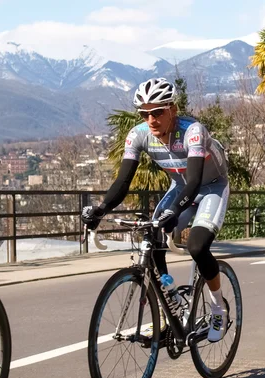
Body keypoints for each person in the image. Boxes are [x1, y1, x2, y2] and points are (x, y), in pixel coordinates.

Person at [81, 77, 230, 343]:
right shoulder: (138, 135)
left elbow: (195, 182)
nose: (151, 119)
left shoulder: (192, 131)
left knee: (197, 246)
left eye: (158, 111)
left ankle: (219, 307)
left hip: (211, 187)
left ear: (172, 109)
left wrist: (174, 209)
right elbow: (123, 181)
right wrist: (101, 209)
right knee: (154, 236)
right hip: (179, 185)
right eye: (145, 114)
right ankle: (169, 305)